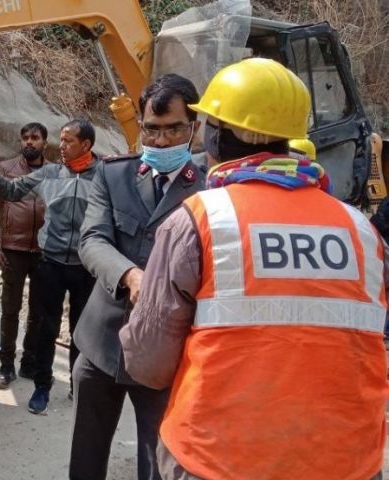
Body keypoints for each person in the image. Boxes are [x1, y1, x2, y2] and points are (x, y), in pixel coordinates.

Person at [120, 58, 388, 480]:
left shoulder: (201, 219)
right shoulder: (362, 231)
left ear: (217, 136)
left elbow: (148, 362)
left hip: (219, 457)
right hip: (345, 460)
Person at [73, 74, 204, 480]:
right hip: (102, 345)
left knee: (158, 459)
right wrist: (130, 275)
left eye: (173, 129)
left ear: (193, 127)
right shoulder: (113, 176)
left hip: (166, 354)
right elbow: (92, 240)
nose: (161, 141)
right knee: (86, 456)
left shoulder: (210, 187)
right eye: (152, 129)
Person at [0, 119, 98, 414]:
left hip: (85, 265)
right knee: (46, 328)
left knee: (82, 330)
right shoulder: (49, 173)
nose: (62, 146)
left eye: (68, 141)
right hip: (50, 262)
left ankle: (77, 387)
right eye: (61, 140)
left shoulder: (103, 176)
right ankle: (42, 387)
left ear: (86, 145)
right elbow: (11, 191)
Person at [0, 122, 48, 389]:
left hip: (44, 253)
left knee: (38, 313)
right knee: (10, 310)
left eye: (35, 138)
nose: (29, 142)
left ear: (44, 141)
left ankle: (29, 363)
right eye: (25, 138)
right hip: (12, 251)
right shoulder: (5, 169)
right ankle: (6, 366)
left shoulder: (54, 172)